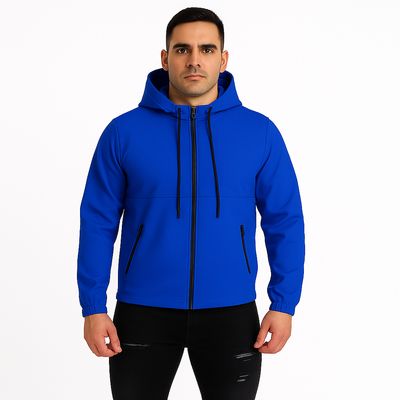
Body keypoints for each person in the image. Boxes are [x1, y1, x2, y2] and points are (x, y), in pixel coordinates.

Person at [77, 6, 305, 400]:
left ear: (223, 59)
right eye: (182, 49)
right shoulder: (123, 132)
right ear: (165, 58)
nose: (194, 60)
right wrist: (93, 307)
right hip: (142, 310)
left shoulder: (259, 132)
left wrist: (283, 304)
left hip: (231, 311)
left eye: (206, 49)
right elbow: (97, 222)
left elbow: (285, 221)